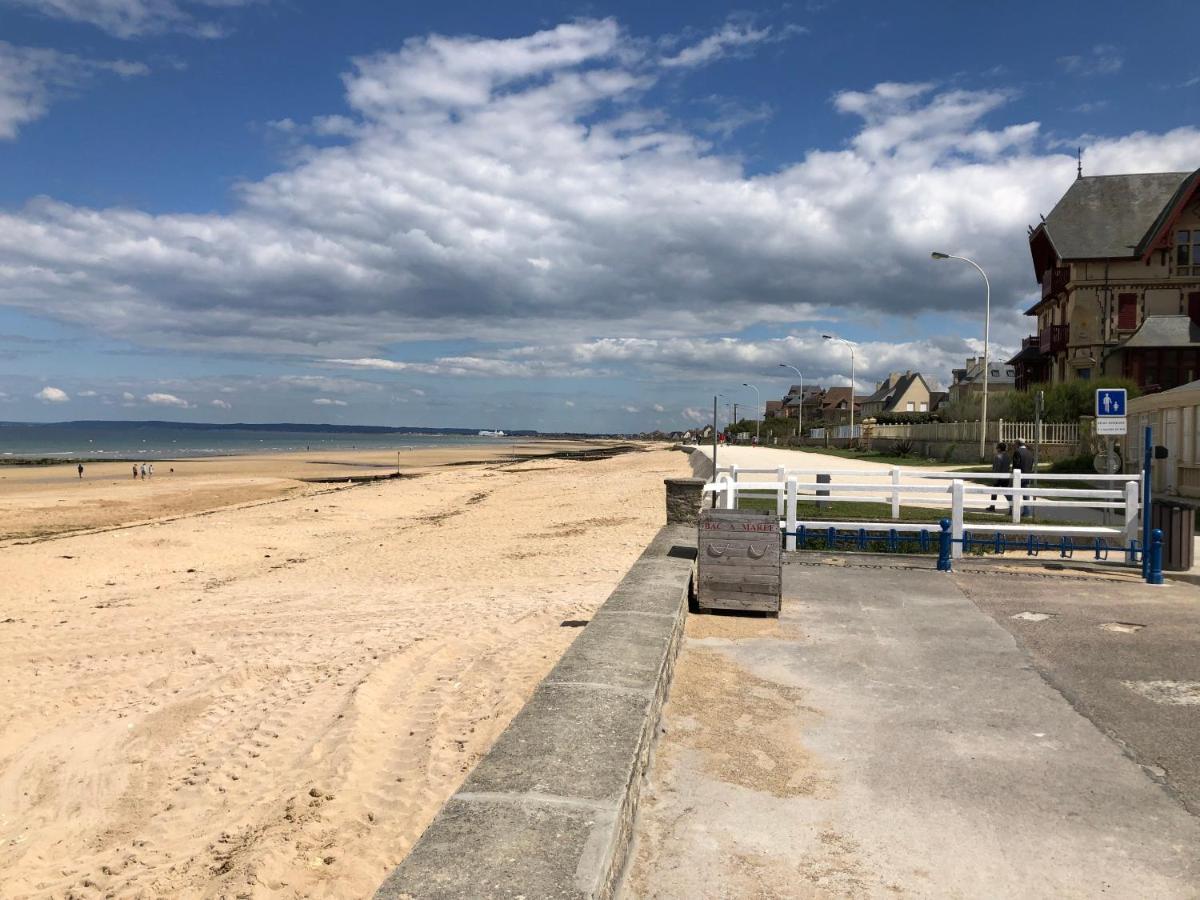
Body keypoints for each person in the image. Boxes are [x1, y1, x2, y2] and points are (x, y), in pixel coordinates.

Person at [1012, 440, 1035, 519]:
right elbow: (1032, 464)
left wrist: (1013, 474)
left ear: (1018, 444)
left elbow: (1016, 465)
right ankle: (1027, 512)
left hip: (1018, 476)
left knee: (1014, 494)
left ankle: (1013, 511)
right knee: (1026, 495)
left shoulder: (1017, 452)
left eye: (1015, 444)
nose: (1014, 445)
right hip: (1027, 475)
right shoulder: (1030, 452)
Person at [988, 442, 1009, 511]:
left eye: (997, 448)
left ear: (999, 449)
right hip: (1006, 476)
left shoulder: (998, 457)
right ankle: (1012, 506)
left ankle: (992, 506)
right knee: (1007, 492)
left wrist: (994, 478)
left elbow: (996, 468)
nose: (996, 449)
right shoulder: (1007, 456)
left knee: (994, 492)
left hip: (999, 477)